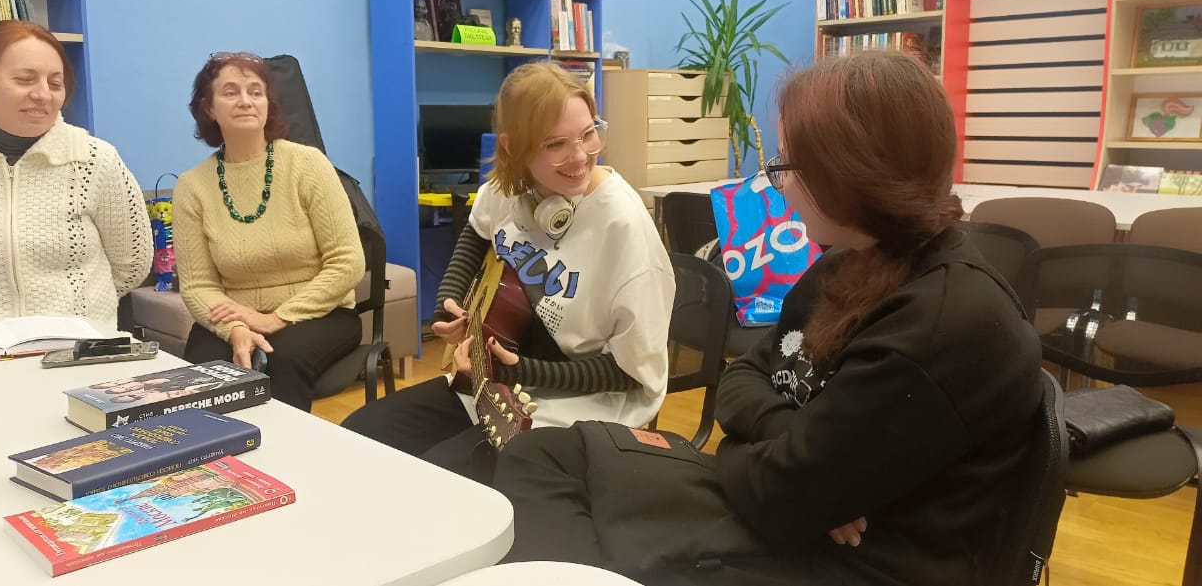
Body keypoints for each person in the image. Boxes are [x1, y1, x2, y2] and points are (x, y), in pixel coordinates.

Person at [493, 51, 1044, 586]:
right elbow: (741, 380)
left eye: (785, 167)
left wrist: (754, 449)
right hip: (788, 502)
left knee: (573, 500)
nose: (778, 187)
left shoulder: (941, 325)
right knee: (538, 457)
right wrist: (784, 439)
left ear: (851, 175)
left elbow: (782, 497)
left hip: (847, 559)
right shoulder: (851, 261)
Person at [342, 60, 674, 480]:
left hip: (589, 400)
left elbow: (627, 374)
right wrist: (449, 305)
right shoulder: (508, 188)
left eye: (589, 134)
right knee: (360, 434)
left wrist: (520, 370)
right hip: (502, 380)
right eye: (555, 144)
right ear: (513, 148)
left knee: (440, 477)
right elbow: (475, 235)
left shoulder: (624, 229)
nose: (580, 156)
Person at [0, 20, 151, 328]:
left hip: (75, 346)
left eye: (55, 84)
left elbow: (131, 264)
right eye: (24, 80)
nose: (43, 94)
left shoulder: (95, 159)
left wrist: (79, 311)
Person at [173, 52, 365, 412]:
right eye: (231, 92)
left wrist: (276, 318)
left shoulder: (308, 164)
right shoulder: (192, 186)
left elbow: (347, 262)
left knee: (279, 359)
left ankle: (283, 449)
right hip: (234, 315)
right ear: (209, 108)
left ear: (267, 104)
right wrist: (236, 329)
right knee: (199, 376)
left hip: (319, 312)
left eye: (255, 92)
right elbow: (198, 285)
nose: (245, 101)